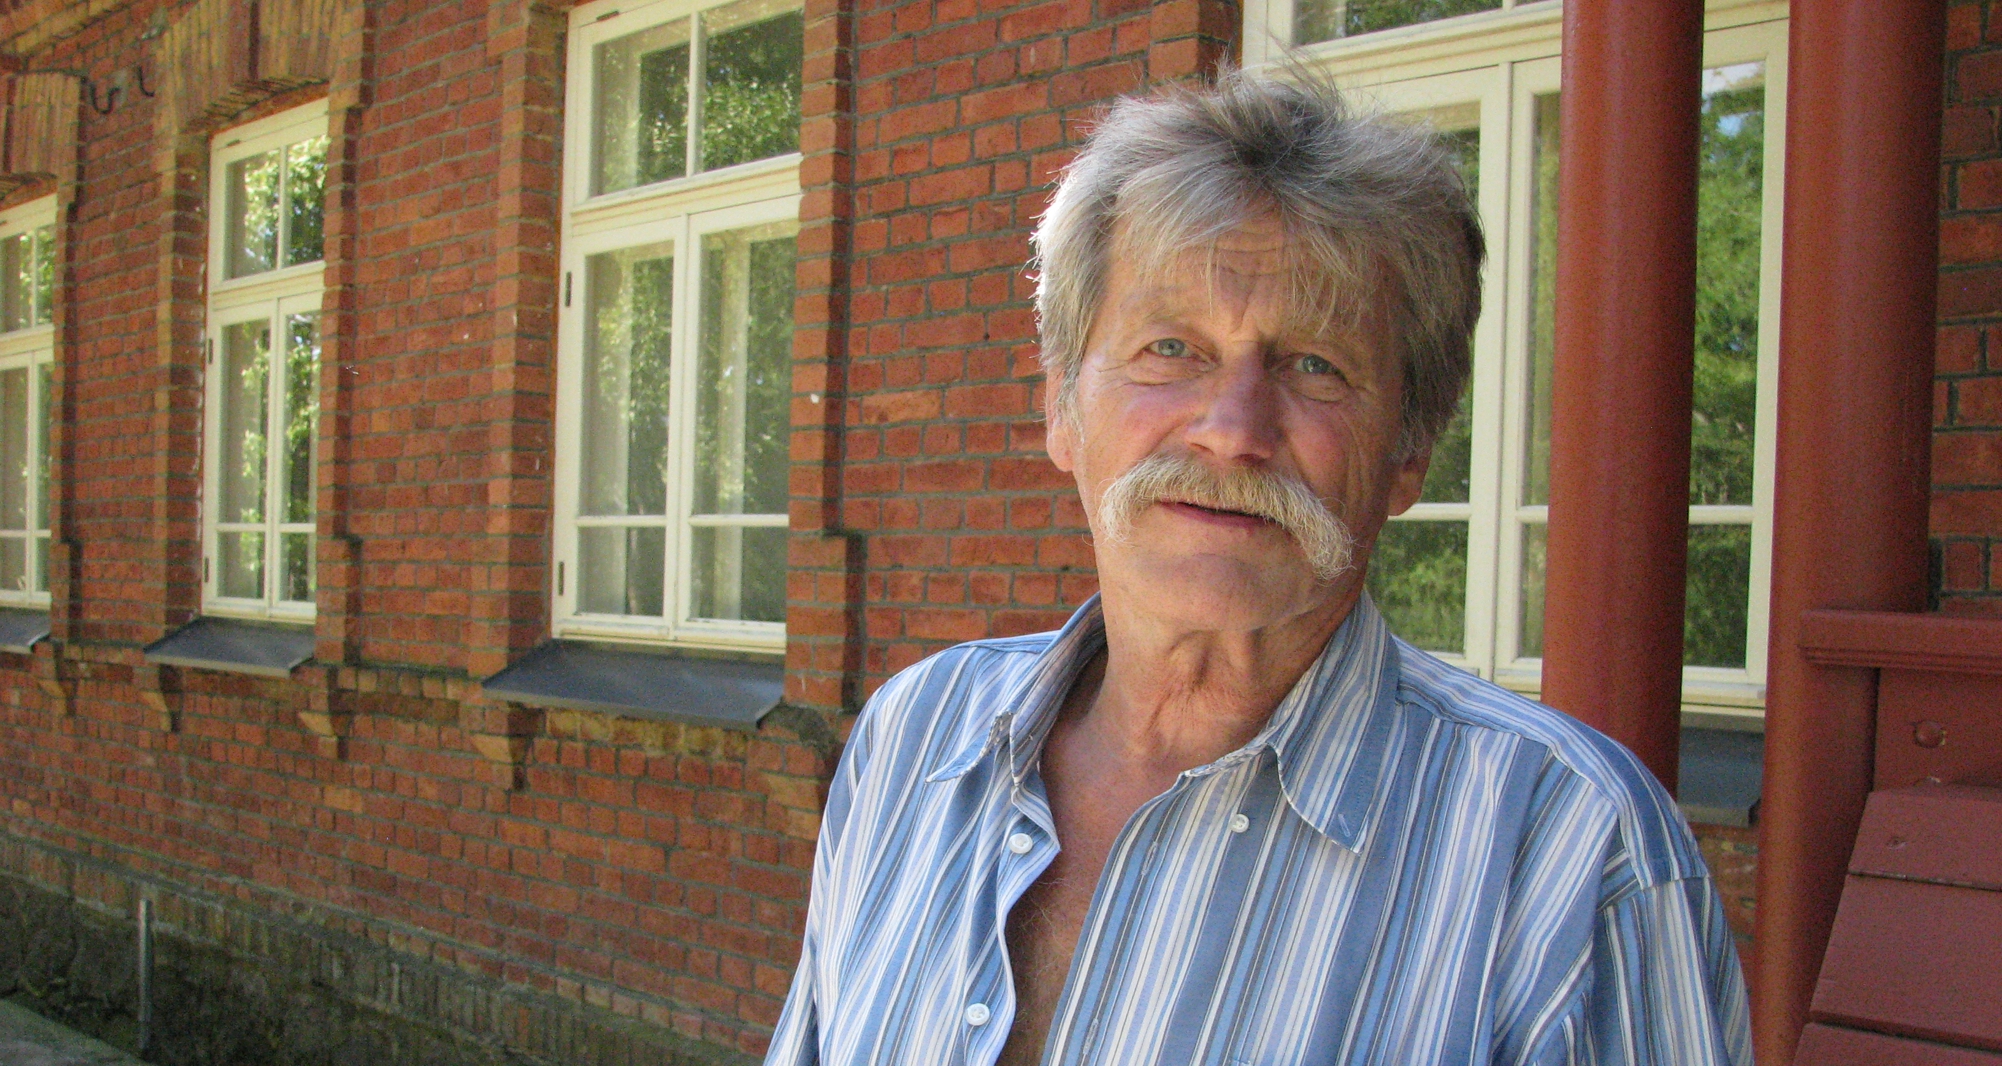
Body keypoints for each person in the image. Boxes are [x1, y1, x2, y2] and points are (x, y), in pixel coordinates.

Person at [766, 67, 1749, 1066]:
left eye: (1316, 365)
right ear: (1061, 405)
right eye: (1169, 347)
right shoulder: (912, 738)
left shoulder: (1573, 854)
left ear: (1409, 450)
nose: (1233, 428)